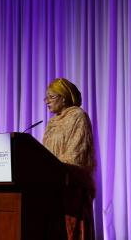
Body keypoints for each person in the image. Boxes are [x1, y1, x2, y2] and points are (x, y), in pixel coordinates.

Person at [43, 78, 96, 240]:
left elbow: (77, 153)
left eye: (51, 97)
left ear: (64, 97)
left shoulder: (78, 116)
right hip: (52, 188)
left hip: (72, 187)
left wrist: (54, 168)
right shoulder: (52, 122)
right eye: (46, 97)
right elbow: (43, 155)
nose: (47, 101)